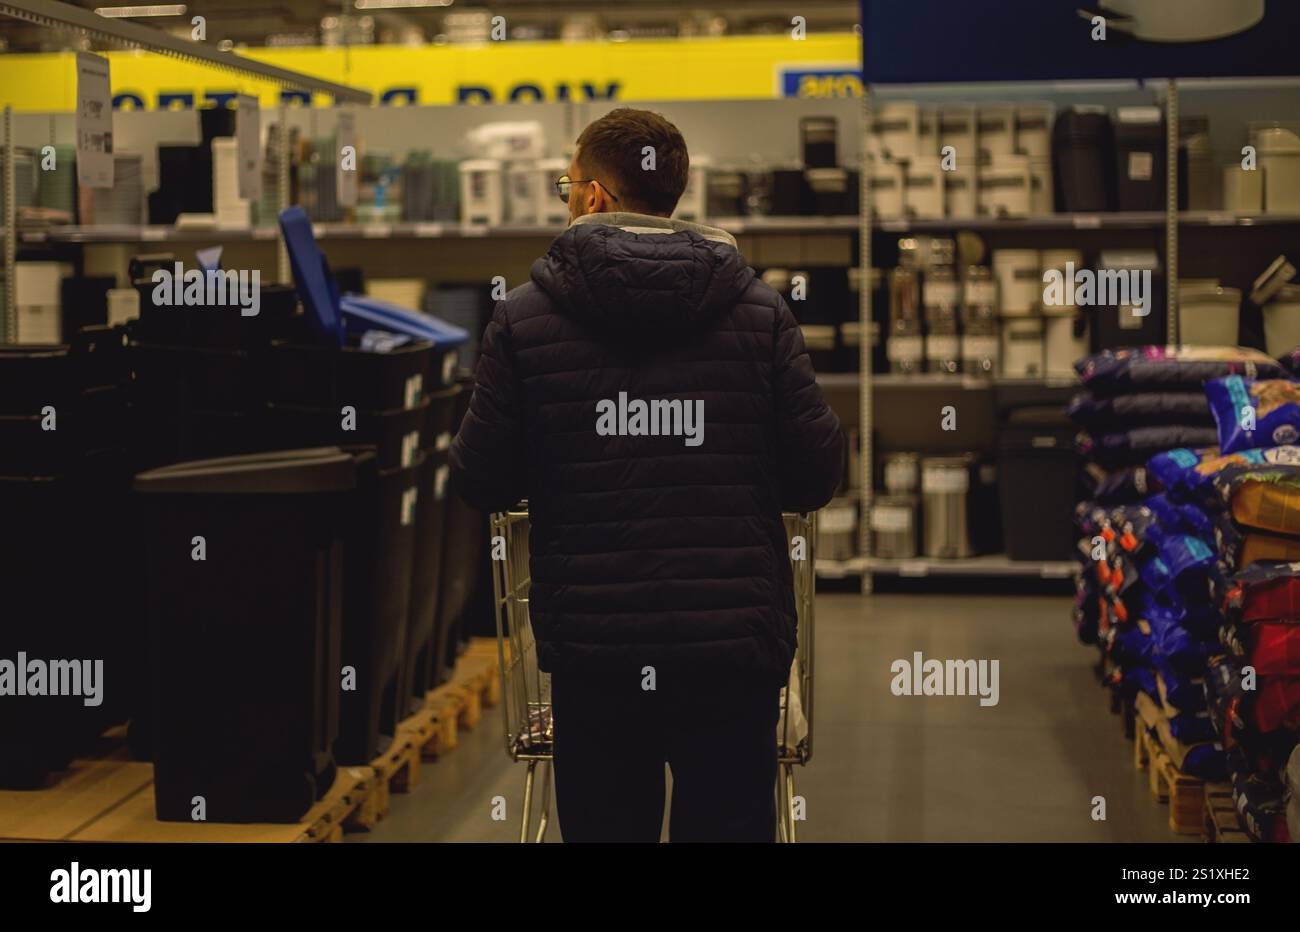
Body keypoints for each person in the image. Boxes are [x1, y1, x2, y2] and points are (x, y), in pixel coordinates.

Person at [450, 107, 843, 842]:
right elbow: (818, 471)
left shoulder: (524, 319)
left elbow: (481, 478)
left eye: (569, 182)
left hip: (597, 650)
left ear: (594, 196)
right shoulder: (760, 315)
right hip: (733, 645)